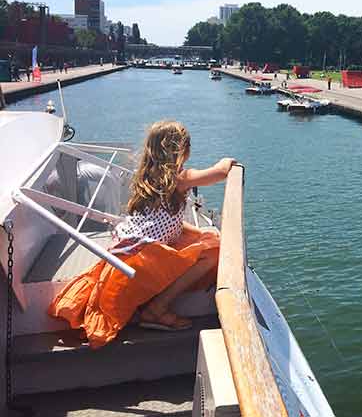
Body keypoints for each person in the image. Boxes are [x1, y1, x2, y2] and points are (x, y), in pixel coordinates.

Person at [49, 121, 235, 348]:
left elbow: (169, 225)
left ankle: (155, 307)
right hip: (143, 259)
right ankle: (157, 309)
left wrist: (203, 235)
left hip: (130, 251)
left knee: (208, 242)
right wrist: (229, 164)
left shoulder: (148, 179)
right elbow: (219, 173)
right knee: (213, 254)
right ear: (181, 151)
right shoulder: (181, 179)